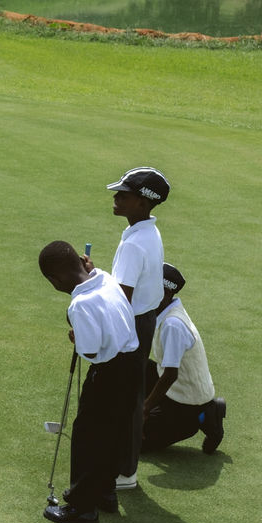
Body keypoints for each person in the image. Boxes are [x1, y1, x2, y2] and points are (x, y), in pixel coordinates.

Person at [38, 240, 142, 523]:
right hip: (132, 365)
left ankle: (83, 509)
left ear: (55, 280)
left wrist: (77, 338)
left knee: (88, 437)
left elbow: (91, 352)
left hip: (109, 373)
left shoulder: (80, 304)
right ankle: (105, 494)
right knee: (113, 433)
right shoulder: (106, 278)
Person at [106, 166, 170, 490]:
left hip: (131, 325)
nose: (116, 197)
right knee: (130, 397)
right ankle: (126, 469)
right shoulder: (148, 232)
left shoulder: (134, 244)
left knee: (120, 398)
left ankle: (121, 472)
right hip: (144, 321)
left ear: (143, 203)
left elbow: (121, 299)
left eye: (124, 195)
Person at [142, 263, 226, 454]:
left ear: (164, 292)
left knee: (133, 442)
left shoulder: (173, 325)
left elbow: (171, 375)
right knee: (135, 365)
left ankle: (205, 417)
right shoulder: (164, 310)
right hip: (175, 388)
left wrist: (145, 410)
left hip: (186, 403)